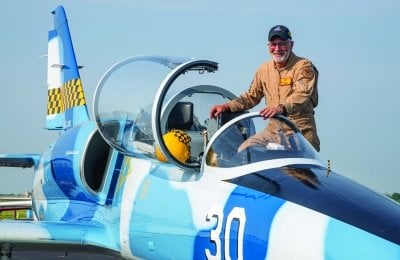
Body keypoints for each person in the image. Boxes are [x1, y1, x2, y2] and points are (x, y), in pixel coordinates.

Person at [209, 25, 320, 151]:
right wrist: (226, 106)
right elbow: (251, 96)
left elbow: (301, 95)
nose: (277, 49)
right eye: (273, 44)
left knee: (294, 170)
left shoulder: (304, 67)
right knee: (245, 150)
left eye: (282, 44)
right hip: (273, 131)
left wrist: (280, 108)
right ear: (268, 47)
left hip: (299, 132)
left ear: (291, 45)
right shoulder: (263, 69)